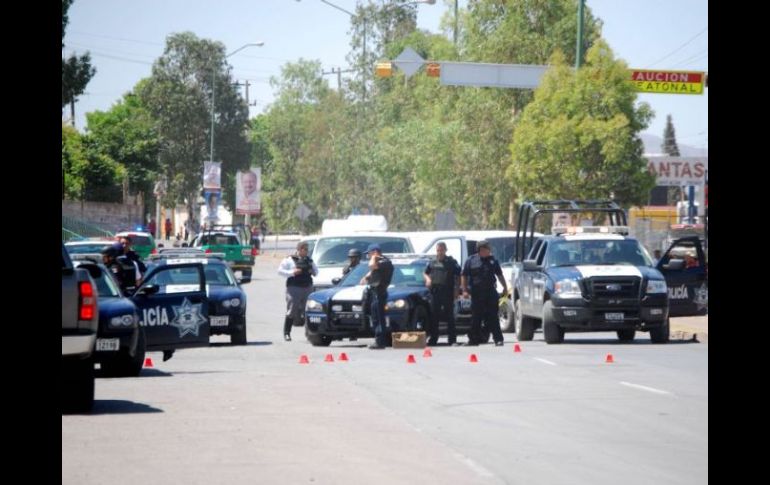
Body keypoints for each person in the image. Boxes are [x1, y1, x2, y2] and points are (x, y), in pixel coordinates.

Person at [461, 240, 508, 346]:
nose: (489, 251)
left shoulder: (493, 260)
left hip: (490, 292)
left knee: (493, 316)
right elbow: (464, 275)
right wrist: (464, 290)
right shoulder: (471, 260)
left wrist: (505, 287)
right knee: (476, 317)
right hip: (477, 293)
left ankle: (498, 339)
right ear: (480, 250)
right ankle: (473, 340)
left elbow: (499, 275)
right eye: (487, 249)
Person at [277, 241, 318, 341]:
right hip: (294, 288)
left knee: (309, 310)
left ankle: (310, 333)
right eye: (304, 249)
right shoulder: (289, 259)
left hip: (307, 287)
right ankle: (287, 333)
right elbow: (280, 271)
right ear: (299, 249)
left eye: (307, 249)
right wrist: (292, 272)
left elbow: (316, 272)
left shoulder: (309, 260)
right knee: (292, 310)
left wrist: (311, 271)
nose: (306, 251)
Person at [424, 242, 461, 346]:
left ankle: (452, 340)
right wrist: (428, 280)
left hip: (447, 291)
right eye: (438, 250)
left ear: (445, 250)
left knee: (450, 316)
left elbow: (458, 275)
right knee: (434, 316)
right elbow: (425, 272)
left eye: (441, 250)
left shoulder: (451, 262)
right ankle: (433, 339)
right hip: (435, 292)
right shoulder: (432, 262)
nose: (439, 252)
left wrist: (457, 290)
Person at [360, 244, 394, 349]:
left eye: (369, 254)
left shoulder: (385, 262)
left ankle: (381, 341)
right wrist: (366, 277)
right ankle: (377, 339)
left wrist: (374, 257)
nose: (368, 256)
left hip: (380, 292)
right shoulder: (379, 262)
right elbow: (372, 270)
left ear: (374, 252)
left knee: (379, 318)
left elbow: (371, 266)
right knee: (375, 318)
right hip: (374, 292)